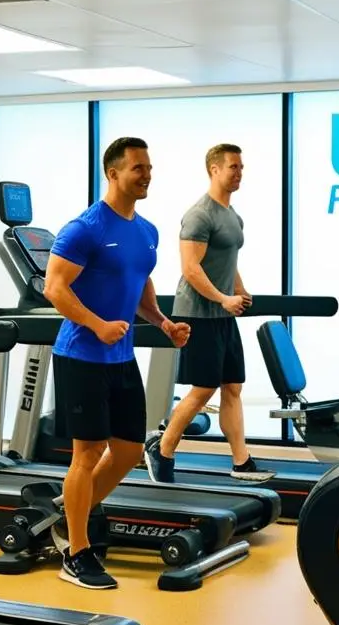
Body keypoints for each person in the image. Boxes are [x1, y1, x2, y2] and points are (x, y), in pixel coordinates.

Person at [43, 136, 191, 589]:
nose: (146, 175)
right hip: (81, 355)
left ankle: (70, 514)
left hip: (121, 357)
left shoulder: (147, 231)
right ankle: (77, 550)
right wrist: (97, 324)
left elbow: (139, 283)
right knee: (86, 455)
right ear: (112, 173)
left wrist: (163, 323)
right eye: (137, 168)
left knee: (127, 450)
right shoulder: (84, 228)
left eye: (149, 167)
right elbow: (55, 288)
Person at [145, 143, 274, 483]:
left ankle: (241, 462)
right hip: (198, 314)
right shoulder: (199, 214)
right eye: (233, 166)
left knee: (232, 387)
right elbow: (191, 269)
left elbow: (227, 261)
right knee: (204, 389)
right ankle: (162, 448)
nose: (239, 172)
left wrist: (240, 290)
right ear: (214, 169)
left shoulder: (233, 215)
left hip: (222, 314)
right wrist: (222, 299)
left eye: (241, 167)